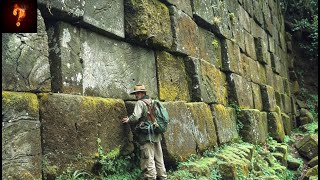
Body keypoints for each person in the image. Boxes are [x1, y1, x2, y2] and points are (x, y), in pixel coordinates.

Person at [122, 84, 167, 180]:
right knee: (159, 158)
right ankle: (162, 176)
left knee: (148, 158)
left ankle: (151, 177)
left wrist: (128, 120)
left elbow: (135, 117)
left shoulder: (140, 103)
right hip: (156, 133)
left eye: (137, 93)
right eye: (135, 93)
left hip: (147, 136)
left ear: (142, 93)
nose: (136, 95)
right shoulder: (153, 101)